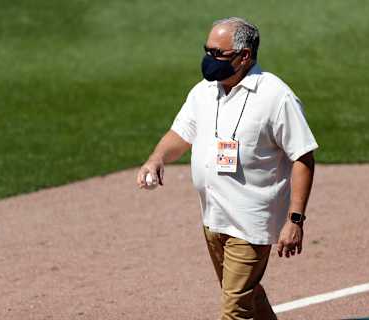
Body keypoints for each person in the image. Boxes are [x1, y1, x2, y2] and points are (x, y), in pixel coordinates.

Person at [136, 17, 318, 320]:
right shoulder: (204, 92)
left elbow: (303, 156)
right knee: (248, 296)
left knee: (235, 310)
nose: (209, 60)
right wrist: (157, 158)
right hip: (213, 218)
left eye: (217, 54)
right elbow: (181, 133)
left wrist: (295, 220)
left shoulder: (275, 96)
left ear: (244, 56)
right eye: (207, 51)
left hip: (250, 223)